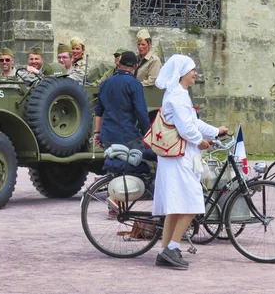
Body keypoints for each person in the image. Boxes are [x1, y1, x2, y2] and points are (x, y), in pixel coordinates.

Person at [152, 54, 228, 269]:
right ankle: (173, 247)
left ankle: (164, 251)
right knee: (193, 202)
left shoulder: (178, 94)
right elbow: (187, 129)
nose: (196, 74)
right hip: (179, 157)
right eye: (192, 70)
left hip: (177, 156)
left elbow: (192, 122)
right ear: (182, 73)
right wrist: (202, 142)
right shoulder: (177, 96)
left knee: (176, 207)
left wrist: (215, 131)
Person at [93, 51, 150, 150]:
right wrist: (148, 134)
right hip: (128, 136)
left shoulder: (105, 83)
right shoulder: (135, 84)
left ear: (119, 63)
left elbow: (99, 111)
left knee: (111, 163)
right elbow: (141, 113)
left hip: (107, 136)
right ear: (136, 66)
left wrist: (97, 133)